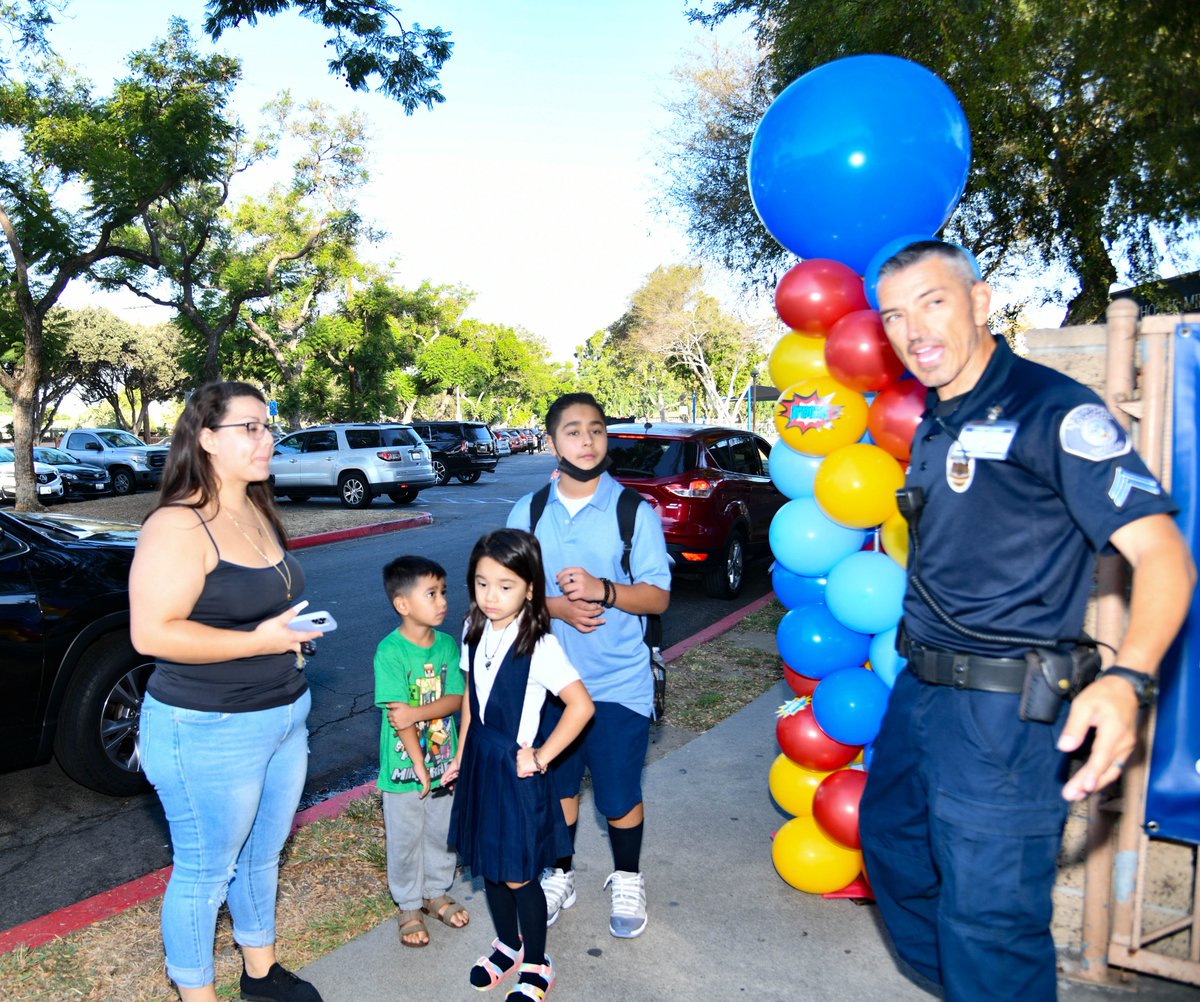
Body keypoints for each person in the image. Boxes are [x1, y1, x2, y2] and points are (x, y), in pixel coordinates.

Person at [858, 240, 1196, 1001]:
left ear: (980, 303)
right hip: (923, 695)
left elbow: (1166, 558)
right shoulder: (935, 422)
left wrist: (1130, 678)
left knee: (990, 923)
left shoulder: (1056, 411)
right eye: (895, 315)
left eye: (933, 302)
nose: (914, 329)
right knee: (893, 851)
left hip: (1005, 716)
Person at [129, 382, 325, 1002]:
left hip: (283, 716)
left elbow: (257, 613)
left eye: (268, 426)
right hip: (205, 728)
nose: (267, 439)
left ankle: (261, 976)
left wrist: (288, 635)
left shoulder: (258, 508)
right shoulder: (176, 524)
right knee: (204, 872)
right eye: (250, 428)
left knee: (262, 854)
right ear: (207, 439)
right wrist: (263, 641)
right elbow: (150, 633)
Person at [506, 392, 672, 938]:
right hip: (547, 687)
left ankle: (627, 875)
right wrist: (555, 607)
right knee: (559, 789)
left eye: (596, 429)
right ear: (551, 442)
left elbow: (658, 598)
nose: (587, 440)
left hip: (617, 682)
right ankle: (561, 874)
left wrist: (605, 591)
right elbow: (503, 594)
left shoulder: (634, 512)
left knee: (620, 793)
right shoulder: (527, 512)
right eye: (573, 431)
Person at [444, 529, 594, 1001]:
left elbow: (581, 706)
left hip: (516, 769)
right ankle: (507, 946)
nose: (491, 595)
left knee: (518, 872)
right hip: (480, 762)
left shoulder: (539, 645)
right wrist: (461, 753)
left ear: (530, 587)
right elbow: (472, 700)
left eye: (505, 585)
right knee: (489, 864)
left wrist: (542, 757)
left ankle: (537, 962)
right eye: (481, 583)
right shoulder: (472, 630)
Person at [373, 554, 468, 948]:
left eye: (443, 591)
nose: (443, 600)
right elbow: (399, 717)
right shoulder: (390, 652)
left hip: (443, 762)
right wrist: (418, 764)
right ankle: (409, 905)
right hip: (403, 768)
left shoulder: (447, 645)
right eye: (432, 593)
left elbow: (456, 698)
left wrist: (419, 712)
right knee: (406, 837)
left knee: (441, 831)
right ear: (403, 604)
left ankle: (435, 892)